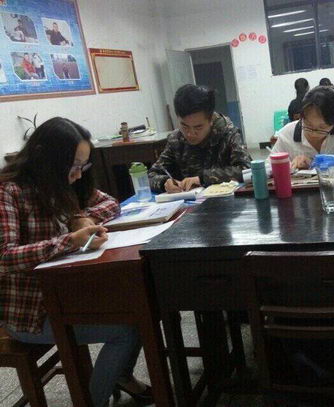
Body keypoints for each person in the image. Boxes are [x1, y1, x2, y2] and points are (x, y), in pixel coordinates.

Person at [0, 117, 153, 407]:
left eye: (82, 166)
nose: (78, 175)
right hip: (30, 313)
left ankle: (119, 374)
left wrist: (82, 218)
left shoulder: (61, 183)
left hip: (67, 294)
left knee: (137, 305)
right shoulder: (9, 191)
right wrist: (69, 240)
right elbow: (5, 257)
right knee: (126, 329)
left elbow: (111, 203)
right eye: (73, 167)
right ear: (47, 159)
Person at [149, 84, 252, 193]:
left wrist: (203, 179)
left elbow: (247, 170)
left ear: (211, 119)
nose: (190, 134)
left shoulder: (227, 133)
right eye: (184, 126)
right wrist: (164, 182)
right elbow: (152, 175)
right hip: (187, 200)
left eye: (198, 127)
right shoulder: (176, 139)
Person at [272, 85, 334, 170]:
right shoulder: (288, 133)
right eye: (308, 125)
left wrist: (315, 162)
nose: (314, 133)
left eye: (322, 127)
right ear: (301, 117)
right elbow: (268, 167)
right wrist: (288, 166)